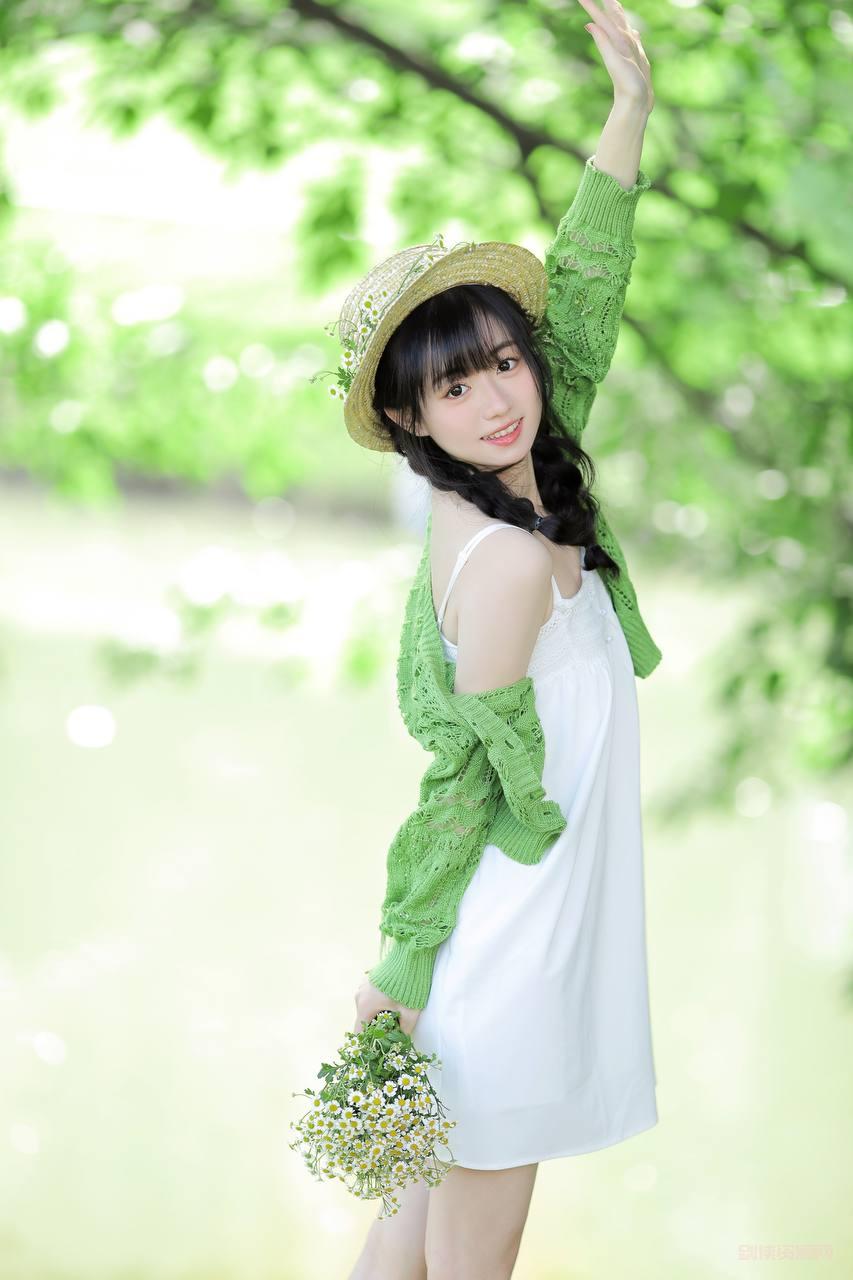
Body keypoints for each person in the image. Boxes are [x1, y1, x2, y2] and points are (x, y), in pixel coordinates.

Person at [315, 5, 660, 1275]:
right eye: (455, 386)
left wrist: (627, 111)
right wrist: (401, 965)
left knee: (402, 1248)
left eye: (504, 363)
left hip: (513, 930)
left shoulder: (514, 482)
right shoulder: (508, 558)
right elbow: (461, 779)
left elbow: (586, 289)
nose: (499, 397)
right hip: (506, 947)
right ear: (412, 416)